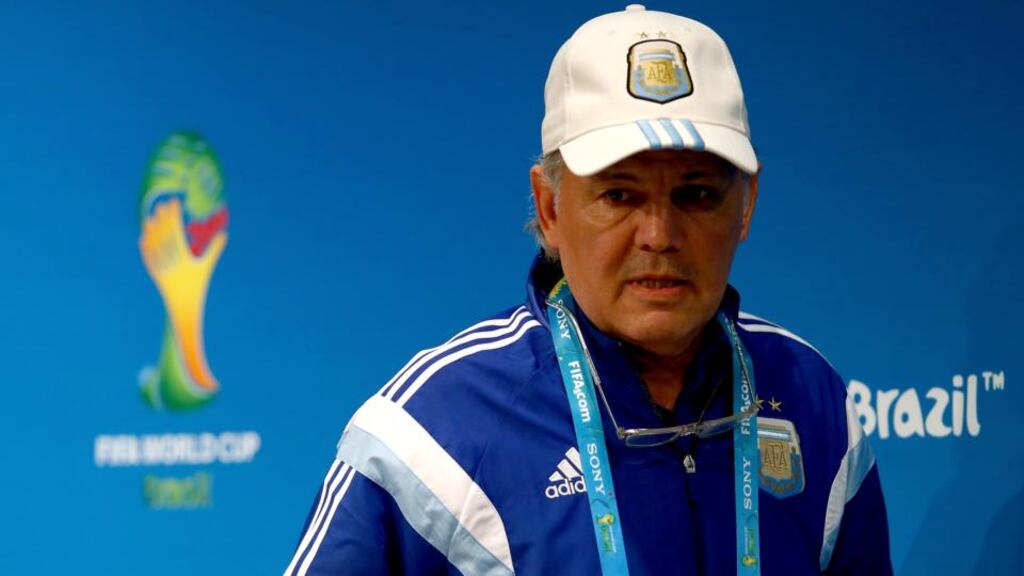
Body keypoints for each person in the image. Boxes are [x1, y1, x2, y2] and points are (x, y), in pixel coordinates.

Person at [284, 5, 892, 575]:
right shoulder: (430, 434)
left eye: (698, 195)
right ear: (550, 209)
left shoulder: (815, 403)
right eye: (620, 195)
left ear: (746, 207)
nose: (659, 235)